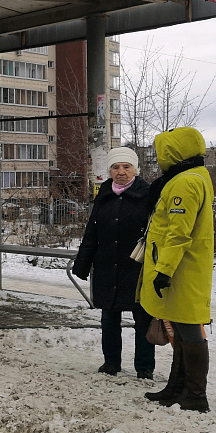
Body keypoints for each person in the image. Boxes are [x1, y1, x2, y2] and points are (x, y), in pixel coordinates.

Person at [139, 127, 213, 413]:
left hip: (181, 268)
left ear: (173, 151)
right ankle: (177, 388)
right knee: (181, 330)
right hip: (183, 266)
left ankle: (195, 394)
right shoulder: (195, 176)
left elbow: (178, 233)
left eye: (162, 152)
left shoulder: (185, 182)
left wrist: (164, 269)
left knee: (190, 331)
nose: (159, 158)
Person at [72, 147, 154, 378]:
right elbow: (92, 232)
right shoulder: (104, 195)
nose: (121, 172)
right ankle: (111, 363)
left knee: (142, 319)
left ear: (135, 169)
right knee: (109, 317)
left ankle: (144, 367)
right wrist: (83, 263)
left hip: (137, 267)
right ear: (110, 170)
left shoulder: (147, 195)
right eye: (116, 167)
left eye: (126, 167)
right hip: (107, 266)